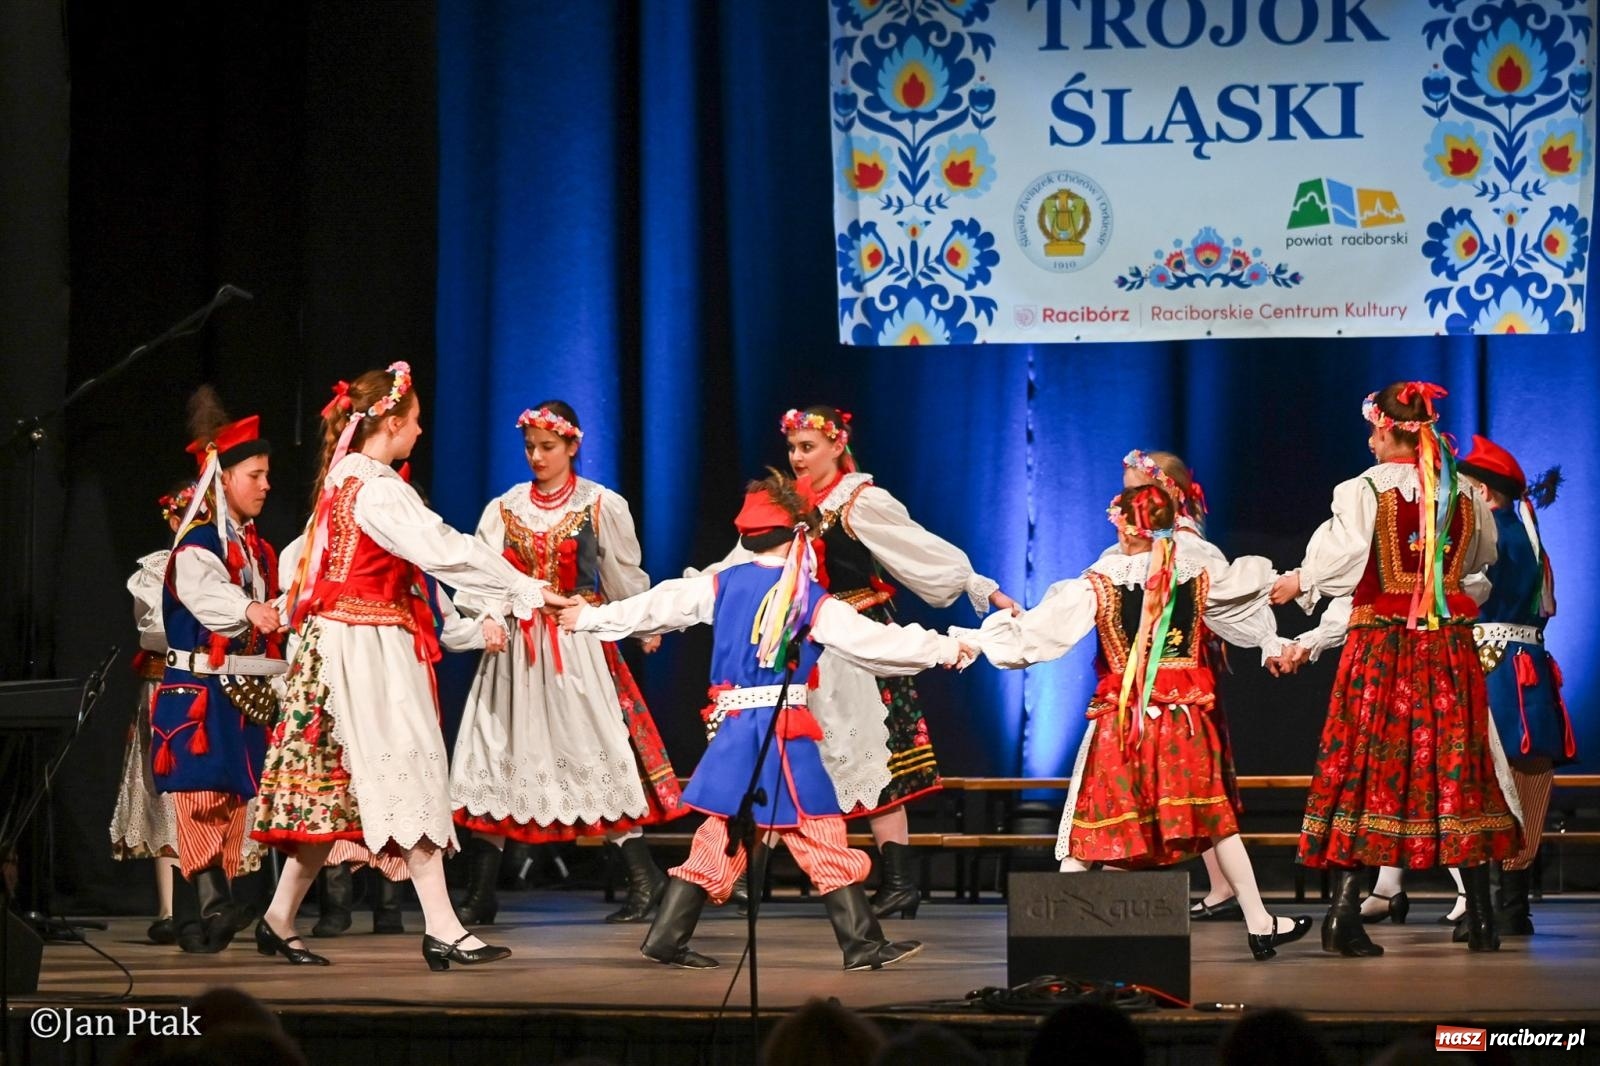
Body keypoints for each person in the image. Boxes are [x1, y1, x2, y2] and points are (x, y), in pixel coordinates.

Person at [562, 472, 977, 970]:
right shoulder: (804, 598)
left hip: (735, 729)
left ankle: (669, 937)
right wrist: (946, 648)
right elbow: (878, 645)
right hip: (781, 730)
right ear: (800, 533)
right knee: (817, 827)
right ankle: (861, 944)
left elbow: (656, 606)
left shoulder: (720, 584)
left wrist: (588, 619)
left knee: (726, 833)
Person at [251, 363, 564, 969]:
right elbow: (443, 547)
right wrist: (525, 587)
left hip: (342, 645)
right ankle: (443, 928)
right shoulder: (374, 485)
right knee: (408, 772)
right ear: (391, 423)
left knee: (339, 795)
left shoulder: (341, 479)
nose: (419, 433)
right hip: (365, 651)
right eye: (415, 423)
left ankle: (277, 917)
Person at [961, 484, 1311, 960]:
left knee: (1091, 824)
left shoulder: (1100, 581)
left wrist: (979, 643)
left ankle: (1056, 936)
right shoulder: (1197, 573)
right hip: (1185, 720)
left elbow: (1042, 634)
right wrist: (1280, 623)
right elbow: (1245, 602)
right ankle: (1259, 921)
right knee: (1214, 820)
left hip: (1125, 721)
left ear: (1125, 524)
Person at [694, 405, 1017, 918]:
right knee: (786, 759)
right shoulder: (783, 504)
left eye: (809, 447)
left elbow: (918, 551)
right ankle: (746, 877)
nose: (798, 457)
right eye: (793, 448)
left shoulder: (860, 503)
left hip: (858, 644)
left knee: (878, 761)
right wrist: (695, 592)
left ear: (837, 444)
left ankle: (900, 883)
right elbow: (743, 562)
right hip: (801, 647)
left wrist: (983, 589)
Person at [1281, 437, 1572, 937]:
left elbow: (1382, 586)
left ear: (1483, 489)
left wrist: (1307, 620)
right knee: (1480, 782)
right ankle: (1493, 911)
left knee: (1390, 770)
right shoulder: (1525, 532)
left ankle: (1382, 905)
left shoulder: (1453, 518)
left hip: (1470, 661)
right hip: (1517, 671)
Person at [1269, 382, 1518, 955]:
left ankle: (1343, 917)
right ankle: (1480, 919)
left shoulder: (1364, 491)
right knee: (1458, 769)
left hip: (1383, 652)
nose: (1369, 440)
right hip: (1447, 652)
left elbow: (1348, 557)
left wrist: (1302, 580)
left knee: (1367, 770)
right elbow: (1482, 563)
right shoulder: (1463, 494)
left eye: (1373, 430)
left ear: (1386, 429)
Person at [449, 402, 684, 926]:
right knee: (497, 752)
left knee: (593, 748)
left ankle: (646, 881)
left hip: (576, 645)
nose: (536, 456)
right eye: (530, 447)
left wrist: (643, 624)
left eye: (547, 447)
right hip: (514, 651)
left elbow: (622, 575)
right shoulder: (504, 508)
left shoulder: (599, 504)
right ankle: (481, 890)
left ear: (573, 446)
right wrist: (487, 616)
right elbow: (481, 577)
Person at [151, 389, 282, 953]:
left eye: (267, 474)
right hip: (196, 694)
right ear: (224, 479)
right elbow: (209, 599)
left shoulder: (256, 549)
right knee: (200, 797)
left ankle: (198, 925)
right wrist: (251, 609)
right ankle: (216, 904)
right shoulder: (198, 545)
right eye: (254, 474)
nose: (265, 484)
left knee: (228, 804)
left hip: (235, 692)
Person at [1103, 450, 1249, 923]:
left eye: (1132, 491)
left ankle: (1234, 896)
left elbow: (1228, 603)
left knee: (1180, 780)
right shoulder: (1133, 556)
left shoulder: (1188, 551)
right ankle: (1237, 898)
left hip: (1176, 680)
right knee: (1173, 782)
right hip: (1144, 682)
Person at [108, 484, 193, 945]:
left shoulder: (227, 566)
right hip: (167, 684)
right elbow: (153, 632)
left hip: (212, 683)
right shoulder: (155, 571)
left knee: (208, 791)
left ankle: (208, 903)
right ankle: (168, 909)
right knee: (163, 791)